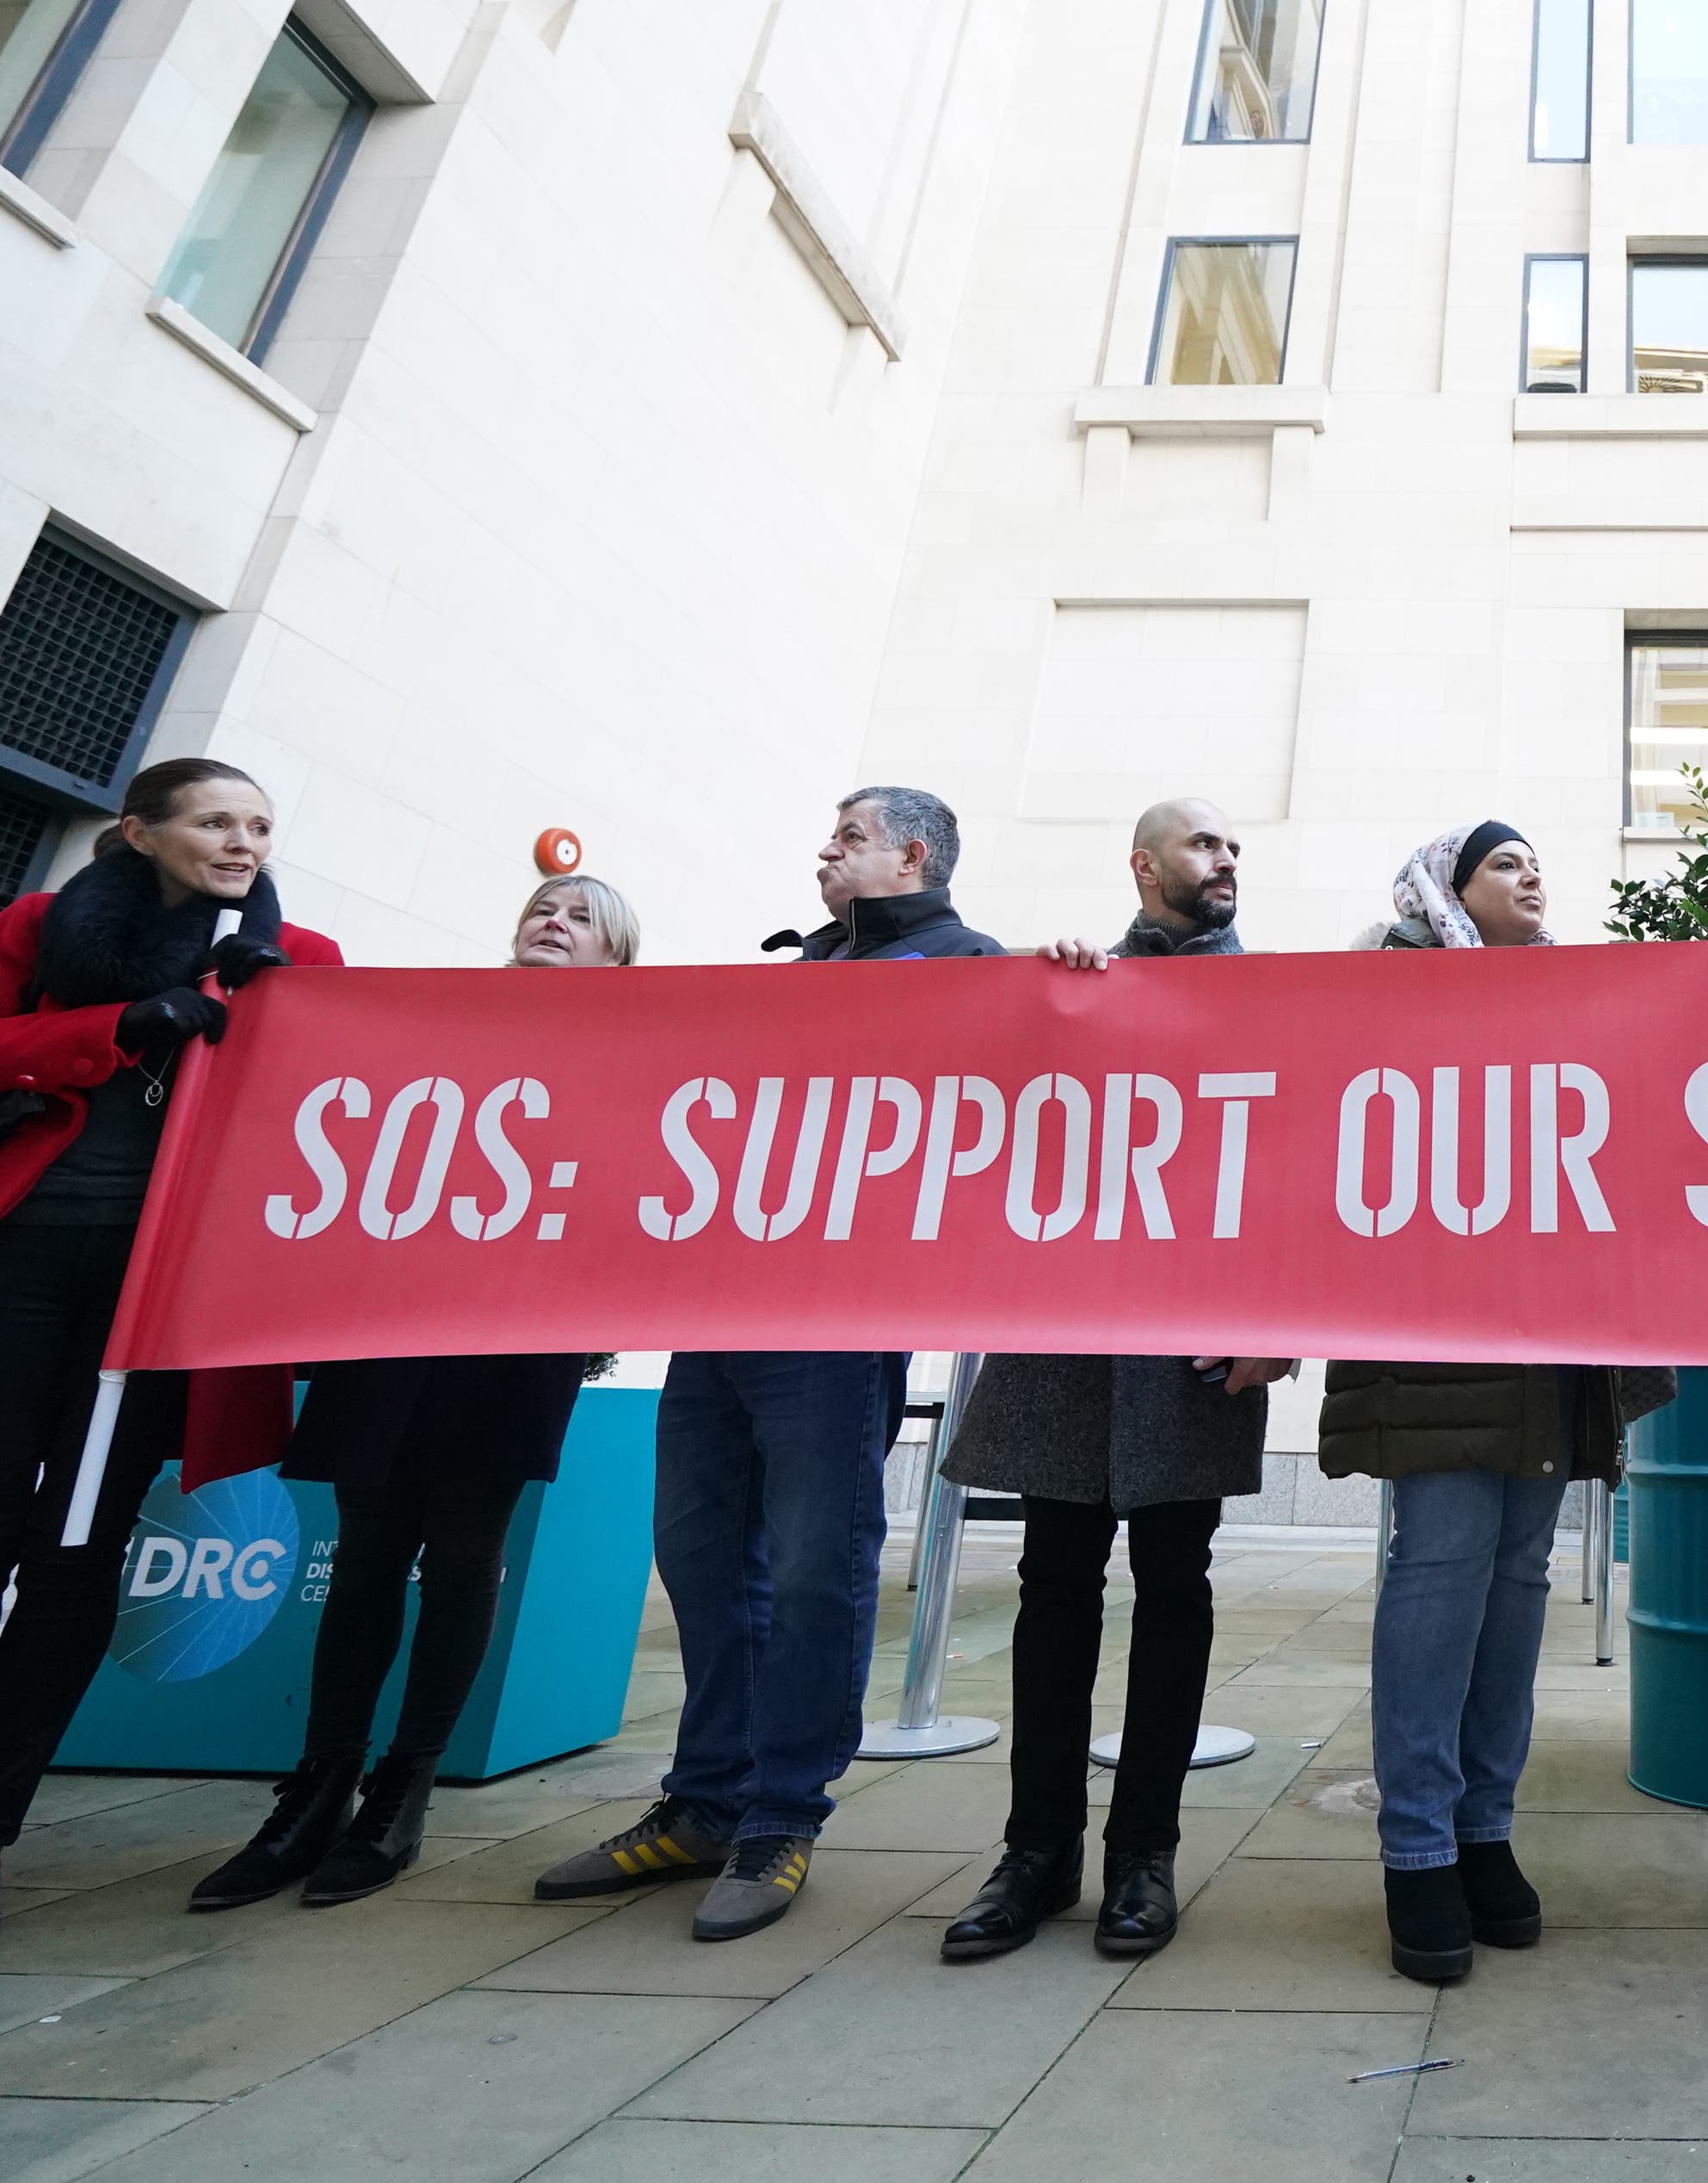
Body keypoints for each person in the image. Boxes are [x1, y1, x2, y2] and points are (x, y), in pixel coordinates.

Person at [535, 788, 1002, 1939]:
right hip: (724, 1302)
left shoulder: (972, 969)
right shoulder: (795, 968)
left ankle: (782, 1815)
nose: (824, 852)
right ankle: (704, 1804)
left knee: (811, 1568)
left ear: (914, 853)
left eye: (847, 837)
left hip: (839, 1320)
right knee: (701, 1558)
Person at [191, 875, 642, 1909]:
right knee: (367, 1549)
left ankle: (405, 1786)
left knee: (464, 1547)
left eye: (580, 918)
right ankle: (316, 1788)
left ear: (617, 958)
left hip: (519, 1326)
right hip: (390, 1312)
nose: (552, 922)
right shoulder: (432, 1016)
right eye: (541, 908)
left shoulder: (629, 1049)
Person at [936, 800, 1291, 1962]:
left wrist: (1276, 1320)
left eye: (1234, 846)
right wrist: (1053, 996)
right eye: (1203, 844)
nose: (1225, 859)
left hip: (1193, 1339)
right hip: (1069, 1333)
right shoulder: (1075, 981)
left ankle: (1145, 1853)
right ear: (1143, 866)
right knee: (1052, 1588)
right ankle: (1034, 1853)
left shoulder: (1274, 999)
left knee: (1175, 1587)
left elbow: (1299, 1159)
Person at [1324, 823, 1673, 1983]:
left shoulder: (1571, 995)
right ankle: (1414, 1848)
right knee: (1439, 1571)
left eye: (1538, 862)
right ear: (1448, 887)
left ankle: (1483, 1830)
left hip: (1551, 1344)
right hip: (1434, 1335)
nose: (1535, 876)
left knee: (1517, 1580)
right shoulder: (1390, 981)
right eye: (1507, 863)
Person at [0, 760, 341, 1872]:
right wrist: (124, 1023)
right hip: (27, 1252)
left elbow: (332, 1101)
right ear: (141, 833)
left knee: (78, 1546)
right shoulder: (43, 926)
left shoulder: (304, 961)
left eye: (259, 824)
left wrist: (267, 1009)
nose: (243, 841)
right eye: (214, 821)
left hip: (158, 1292)